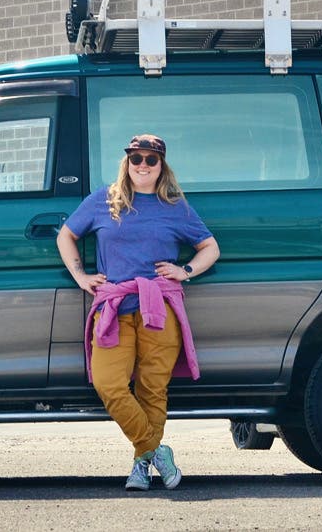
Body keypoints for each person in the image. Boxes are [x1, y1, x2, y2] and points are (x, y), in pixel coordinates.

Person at [56, 133, 220, 491]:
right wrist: (80, 275)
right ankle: (155, 450)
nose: (142, 165)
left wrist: (185, 271)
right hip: (114, 307)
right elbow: (65, 236)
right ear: (127, 162)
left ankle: (140, 468)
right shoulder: (103, 200)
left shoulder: (175, 207)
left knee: (152, 388)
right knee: (108, 383)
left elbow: (210, 247)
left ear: (162, 166)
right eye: (136, 158)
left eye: (151, 159)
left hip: (158, 307)